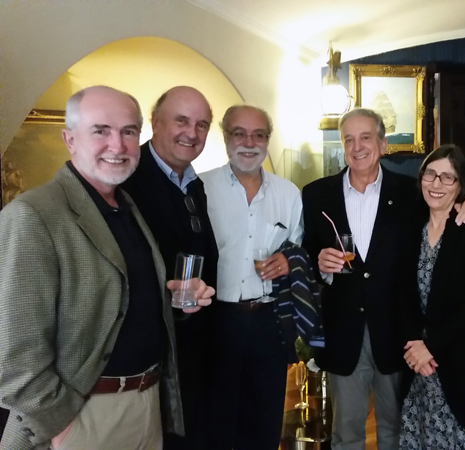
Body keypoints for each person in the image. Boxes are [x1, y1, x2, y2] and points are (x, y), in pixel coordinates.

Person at [0, 86, 214, 450]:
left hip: (147, 405)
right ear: (70, 139)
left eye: (128, 131)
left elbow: (122, 305)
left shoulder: (126, 207)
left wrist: (175, 301)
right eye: (101, 130)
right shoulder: (33, 215)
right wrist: (59, 425)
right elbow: (15, 350)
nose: (118, 145)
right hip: (83, 416)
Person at [302, 108, 465, 450]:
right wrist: (320, 264)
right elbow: (307, 252)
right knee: (345, 434)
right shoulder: (316, 194)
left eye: (366, 137)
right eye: (349, 139)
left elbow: (446, 206)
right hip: (342, 333)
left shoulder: (411, 192)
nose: (357, 147)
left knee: (396, 431)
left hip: (397, 332)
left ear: (383, 144)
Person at [120, 85, 219, 450]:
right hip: (151, 359)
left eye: (202, 125)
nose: (192, 133)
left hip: (194, 348)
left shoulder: (193, 184)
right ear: (155, 122)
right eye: (182, 121)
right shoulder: (127, 180)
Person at [200, 105, 302, 449]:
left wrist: (288, 261)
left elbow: (298, 249)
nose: (249, 142)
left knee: (265, 422)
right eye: (239, 133)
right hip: (214, 321)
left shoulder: (289, 194)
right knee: (214, 422)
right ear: (225, 137)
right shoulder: (200, 188)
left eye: (259, 134)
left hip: (267, 322)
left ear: (268, 140)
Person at [399, 145, 465, 449]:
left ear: (460, 185)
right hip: (419, 368)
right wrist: (414, 347)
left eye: (447, 177)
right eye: (430, 174)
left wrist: (430, 347)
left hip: (461, 366)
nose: (436, 184)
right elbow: (401, 294)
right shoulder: (411, 225)